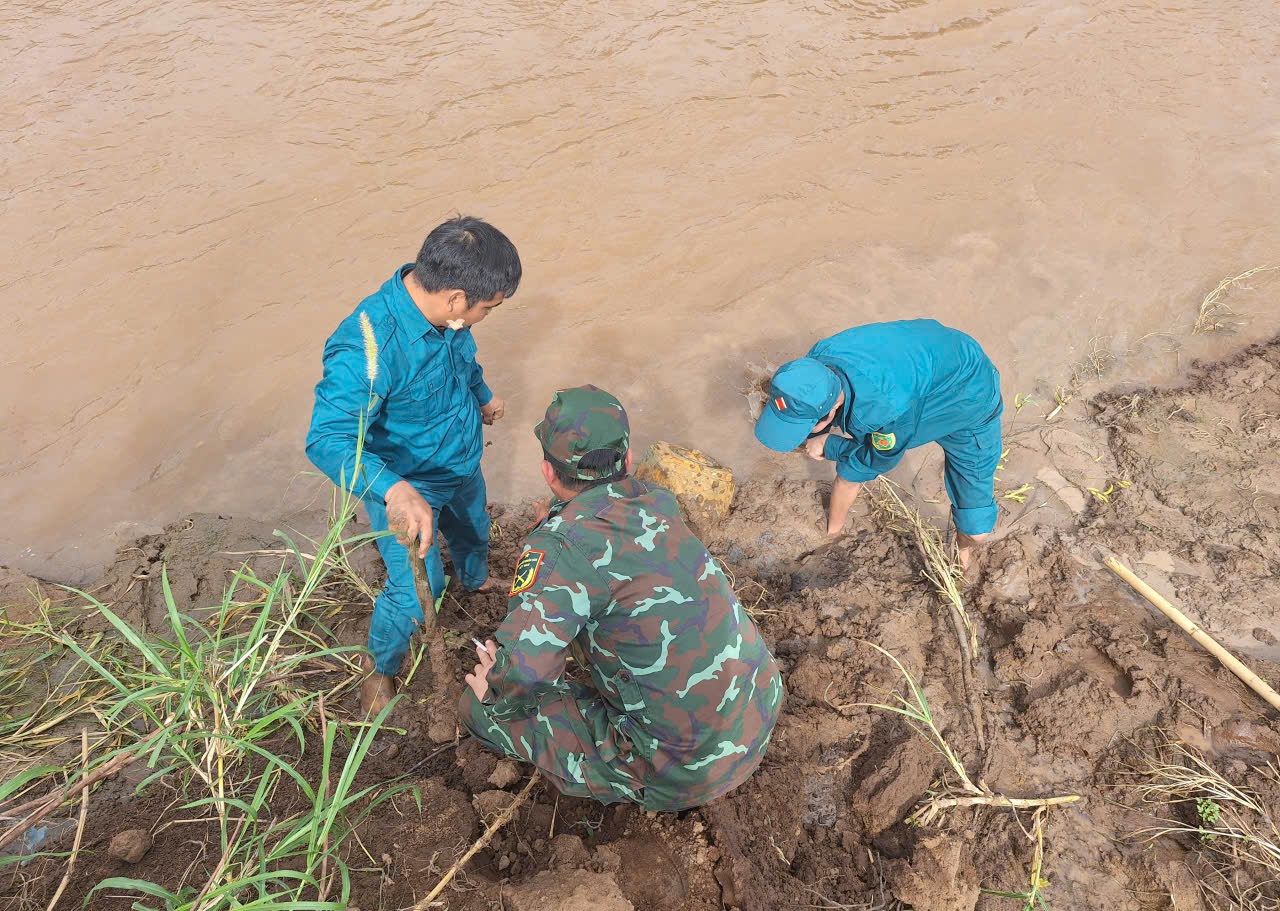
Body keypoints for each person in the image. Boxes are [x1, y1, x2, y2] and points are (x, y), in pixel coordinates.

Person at [459, 386, 782, 810]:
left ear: (547, 472)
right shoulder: (657, 501)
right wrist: (562, 530)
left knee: (480, 706)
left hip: (686, 772)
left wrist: (496, 689)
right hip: (760, 707)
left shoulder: (559, 548)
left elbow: (524, 673)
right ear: (628, 460)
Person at [306, 216, 521, 715]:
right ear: (455, 299)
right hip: (409, 484)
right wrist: (395, 489)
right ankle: (378, 668)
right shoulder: (367, 347)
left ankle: (476, 579)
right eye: (489, 308)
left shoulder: (448, 321)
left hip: (462, 461)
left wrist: (484, 398)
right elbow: (327, 439)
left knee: (474, 529)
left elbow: (464, 363)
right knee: (413, 590)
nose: (487, 316)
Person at [754, 319, 1002, 568]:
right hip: (936, 359)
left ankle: (961, 558)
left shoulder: (884, 413)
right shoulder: (815, 362)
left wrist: (831, 535)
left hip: (970, 398)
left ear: (831, 410)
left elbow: (868, 465)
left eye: (812, 423)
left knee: (976, 532)